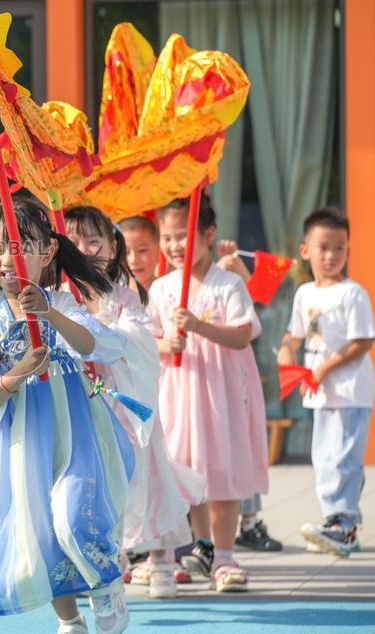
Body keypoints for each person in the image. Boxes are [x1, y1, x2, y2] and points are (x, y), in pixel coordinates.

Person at [0, 197, 133, 634]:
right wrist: (15, 376)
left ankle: (107, 590)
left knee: (71, 512)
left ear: (47, 252)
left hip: (77, 432)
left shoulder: (62, 303)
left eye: (20, 245)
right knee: (40, 528)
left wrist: (47, 314)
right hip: (23, 440)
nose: (7, 258)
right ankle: (70, 620)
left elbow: (99, 346)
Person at [65, 207, 204, 600]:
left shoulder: (124, 295)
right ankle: (108, 560)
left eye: (94, 241)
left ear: (113, 247)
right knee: (97, 483)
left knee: (148, 475)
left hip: (127, 401)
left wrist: (102, 335)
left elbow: (140, 341)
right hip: (85, 403)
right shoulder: (61, 296)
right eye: (75, 241)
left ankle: (161, 559)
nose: (85, 249)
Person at [148, 198, 269, 592]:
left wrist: (199, 327)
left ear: (209, 234)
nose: (174, 245)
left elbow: (243, 333)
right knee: (185, 470)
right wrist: (167, 343)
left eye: (183, 235)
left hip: (220, 393)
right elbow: (147, 338)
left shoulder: (228, 284)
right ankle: (197, 548)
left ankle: (225, 557)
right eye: (167, 237)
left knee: (222, 470)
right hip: (178, 392)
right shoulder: (161, 287)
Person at [278, 208, 374, 557]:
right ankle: (336, 521)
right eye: (323, 247)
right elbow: (295, 334)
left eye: (339, 247)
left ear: (348, 250)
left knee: (345, 458)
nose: (331, 255)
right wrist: (287, 352)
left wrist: (323, 370)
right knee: (324, 457)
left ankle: (343, 526)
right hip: (320, 394)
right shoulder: (304, 293)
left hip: (350, 392)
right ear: (305, 251)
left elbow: (363, 341)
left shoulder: (353, 293)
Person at [215, 239, 284, 553]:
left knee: (242, 448)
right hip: (200, 377)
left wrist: (236, 265)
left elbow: (255, 301)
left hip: (235, 375)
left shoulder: (226, 277)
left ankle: (250, 520)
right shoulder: (174, 280)